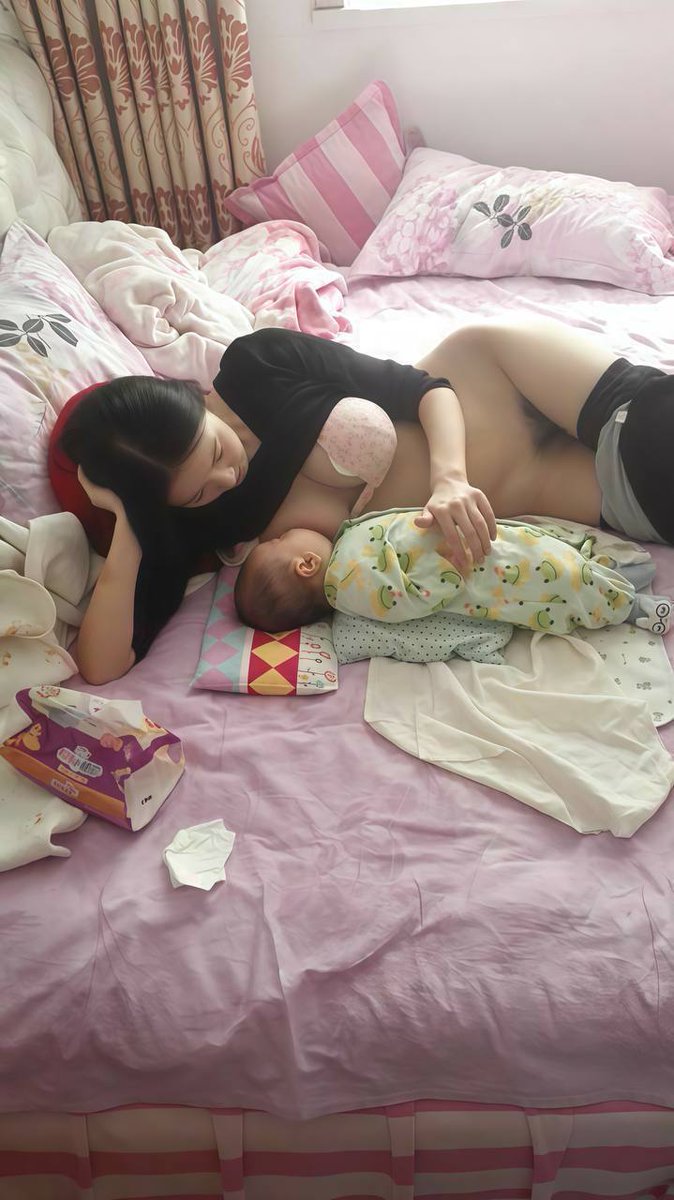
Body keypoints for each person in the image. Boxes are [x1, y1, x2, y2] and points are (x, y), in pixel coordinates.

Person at [49, 318, 674, 684]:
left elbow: (425, 388)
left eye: (213, 450)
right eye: (198, 491)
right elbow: (101, 666)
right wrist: (129, 523)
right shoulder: (196, 528)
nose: (227, 479)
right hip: (541, 483)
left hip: (508, 378)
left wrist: (450, 480)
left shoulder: (255, 365)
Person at [232, 512, 671, 638]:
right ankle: (633, 608)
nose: (285, 531)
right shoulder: (349, 587)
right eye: (281, 539)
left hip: (473, 544)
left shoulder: (345, 553)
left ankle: (609, 578)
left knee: (543, 550)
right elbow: (406, 599)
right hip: (477, 572)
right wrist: (448, 569)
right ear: (306, 564)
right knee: (553, 580)